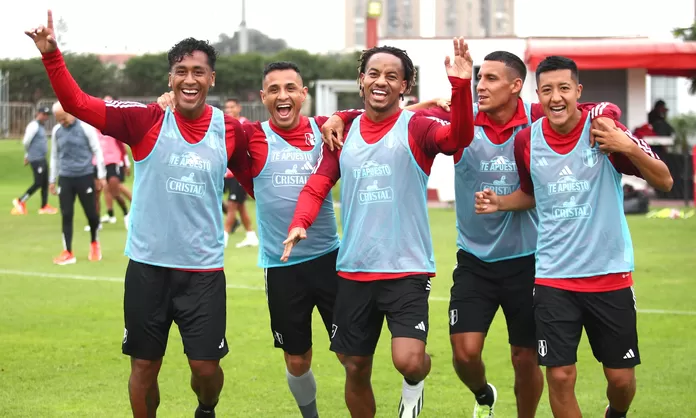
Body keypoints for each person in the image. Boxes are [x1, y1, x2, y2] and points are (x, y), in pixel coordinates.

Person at [321, 50, 622, 418]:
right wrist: (344, 115)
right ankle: (483, 393)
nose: (480, 86)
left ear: (516, 86)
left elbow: (590, 106)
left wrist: (606, 113)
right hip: (474, 261)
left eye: (491, 79)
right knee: (464, 355)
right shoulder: (458, 116)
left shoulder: (536, 116)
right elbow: (389, 117)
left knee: (524, 356)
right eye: (479, 78)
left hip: (528, 260)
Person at [26, 10, 251, 418]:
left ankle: (207, 407)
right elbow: (78, 103)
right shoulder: (145, 120)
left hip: (202, 272)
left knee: (206, 369)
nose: (188, 79)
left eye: (198, 72)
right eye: (180, 71)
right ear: (170, 78)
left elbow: (263, 167)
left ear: (211, 79)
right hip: (148, 268)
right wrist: (51, 55)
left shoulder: (230, 129)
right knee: (145, 367)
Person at [282, 38, 475, 418]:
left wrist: (460, 86)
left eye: (392, 75)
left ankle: (415, 383)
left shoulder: (417, 126)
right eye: (374, 73)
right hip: (354, 269)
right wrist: (300, 222)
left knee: (408, 359)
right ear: (361, 79)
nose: (381, 81)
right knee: (353, 366)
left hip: (406, 267)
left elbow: (457, 139)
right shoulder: (342, 134)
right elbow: (319, 183)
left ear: (405, 86)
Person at [474, 55, 673, 418]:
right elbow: (533, 194)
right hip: (554, 278)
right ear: (538, 94)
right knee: (561, 377)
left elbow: (664, 179)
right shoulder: (526, 143)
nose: (556, 97)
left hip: (609, 276)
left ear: (577, 91)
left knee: (621, 381)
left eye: (564, 88)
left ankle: (616, 412)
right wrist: (500, 202)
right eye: (547, 90)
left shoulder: (604, 131)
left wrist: (626, 145)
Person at [48, 102, 106, 265]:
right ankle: (68, 251)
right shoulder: (57, 131)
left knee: (91, 214)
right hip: (65, 178)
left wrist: (101, 175)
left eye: (63, 119)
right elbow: (54, 155)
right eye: (58, 120)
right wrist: (52, 179)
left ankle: (94, 243)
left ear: (70, 113)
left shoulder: (86, 128)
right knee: (66, 215)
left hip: (85, 176)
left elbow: (97, 150)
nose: (62, 122)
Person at [222, 98, 257, 248]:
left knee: (232, 204)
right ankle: (251, 236)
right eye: (227, 108)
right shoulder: (225, 126)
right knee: (240, 206)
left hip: (239, 174)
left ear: (239, 108)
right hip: (227, 173)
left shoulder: (245, 125)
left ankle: (223, 238)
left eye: (231, 107)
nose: (228, 110)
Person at [12, 106, 58, 215]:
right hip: (36, 159)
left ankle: (44, 206)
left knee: (44, 183)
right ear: (38, 114)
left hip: (41, 158)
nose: (45, 117)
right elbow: (26, 141)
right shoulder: (34, 126)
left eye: (47, 115)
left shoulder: (41, 126)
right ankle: (20, 200)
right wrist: (28, 155)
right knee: (38, 182)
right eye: (44, 114)